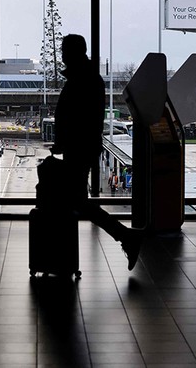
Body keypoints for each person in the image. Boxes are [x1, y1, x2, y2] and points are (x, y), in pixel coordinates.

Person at [50, 34, 142, 271]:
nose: (61, 54)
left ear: (73, 53)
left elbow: (75, 117)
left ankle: (125, 236)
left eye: (64, 49)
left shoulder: (82, 79)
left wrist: (63, 139)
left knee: (76, 200)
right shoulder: (89, 77)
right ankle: (65, 256)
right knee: (75, 200)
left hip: (78, 147)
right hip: (82, 146)